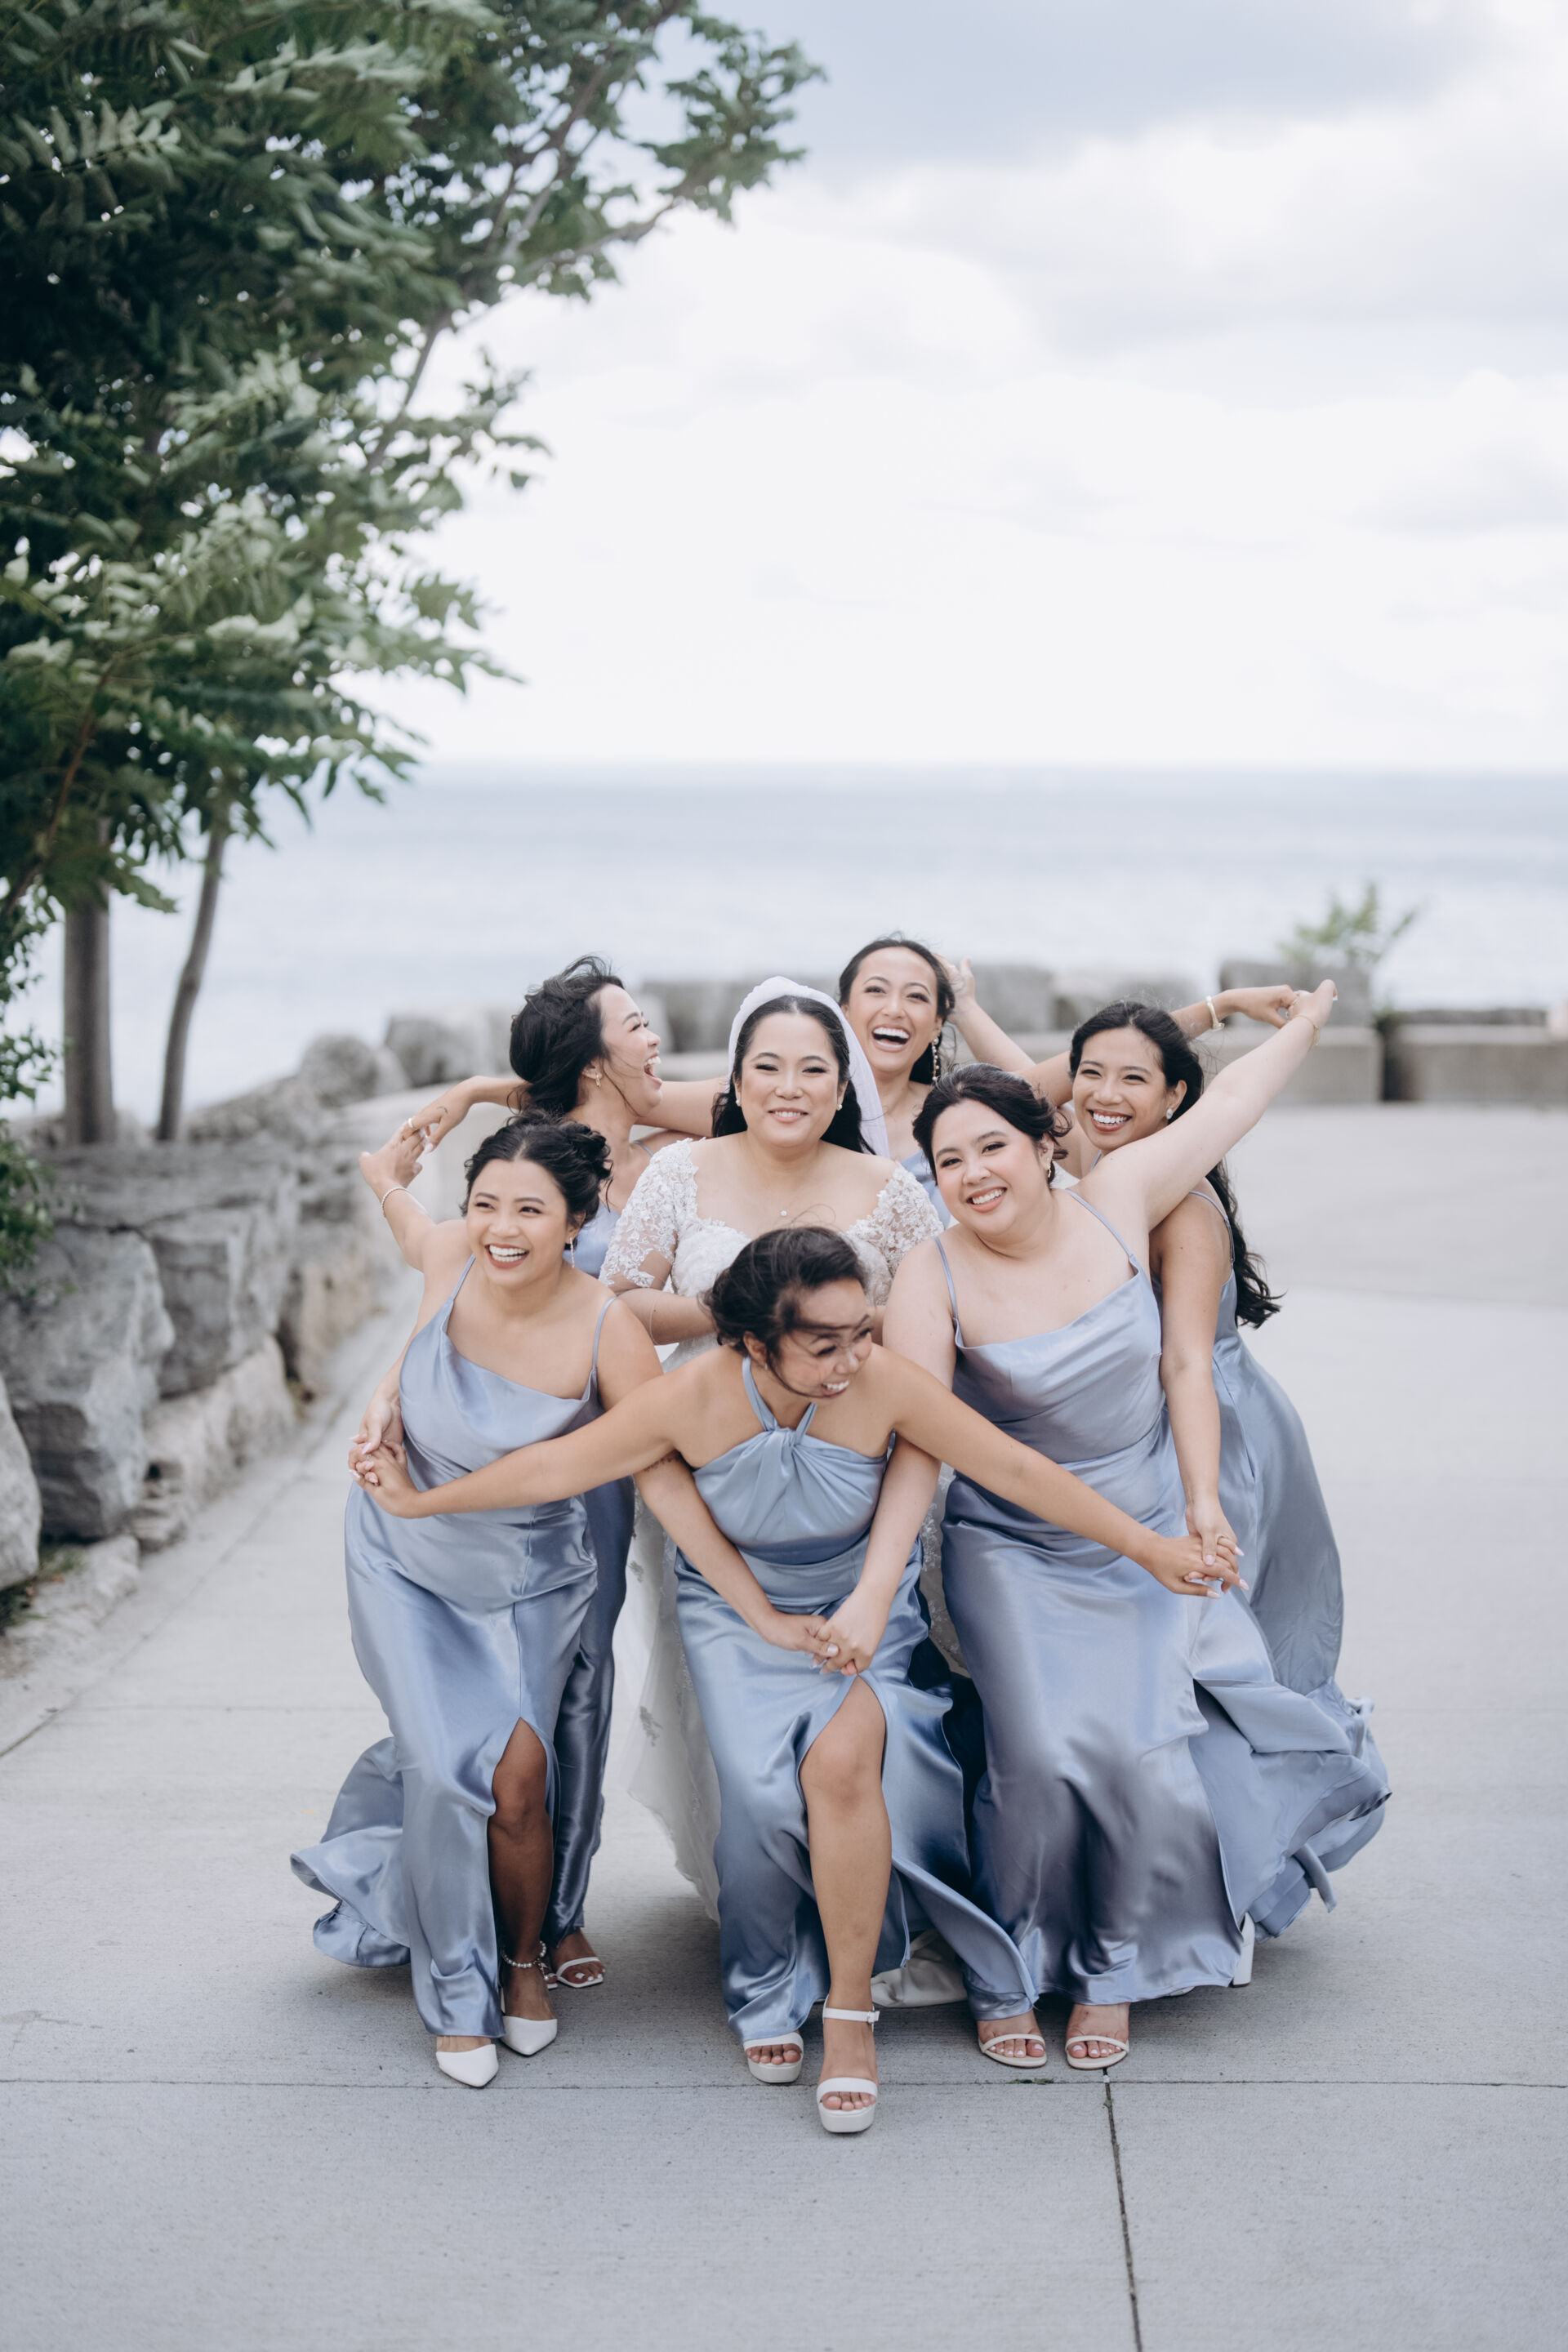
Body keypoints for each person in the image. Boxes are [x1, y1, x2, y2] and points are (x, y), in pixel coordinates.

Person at [354, 1224, 1232, 2127]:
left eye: (859, 1334)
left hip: (857, 1611)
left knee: (843, 1766)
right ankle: (764, 1977)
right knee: (762, 1804)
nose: (852, 1360)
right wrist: (421, 1501)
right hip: (736, 1616)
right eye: (824, 1345)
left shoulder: (883, 1383)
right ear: (753, 1342)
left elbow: (1012, 1465)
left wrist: (1149, 1548)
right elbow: (551, 1466)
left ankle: (849, 2017)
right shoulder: (688, 1398)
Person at [884, 986, 1389, 2074]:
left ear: (1044, 1145)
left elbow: (1187, 1353)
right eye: (948, 1161)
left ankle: (1112, 1966)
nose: (973, 1174)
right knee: (1038, 1755)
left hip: (1151, 1514)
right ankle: (1008, 1966)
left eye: (992, 1147)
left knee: (1140, 1752)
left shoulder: (1121, 1199)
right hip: (1014, 1542)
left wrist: (1200, 1504)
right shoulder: (931, 1274)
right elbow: (955, 1448)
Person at [292, 1115, 743, 2090]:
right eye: (485, 1203)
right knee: (444, 1769)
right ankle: (459, 1991)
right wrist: (385, 1174)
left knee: (517, 1781)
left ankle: (523, 1955)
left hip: (532, 1575)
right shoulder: (450, 1255)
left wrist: (751, 1595)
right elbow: (407, 1218)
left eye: (530, 1210)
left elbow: (658, 1474)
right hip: (402, 1557)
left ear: (577, 1221)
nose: (501, 1228)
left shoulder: (608, 1329)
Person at [361, 960, 688, 1992]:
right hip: (484, 1459)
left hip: (598, 1462)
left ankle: (561, 1909)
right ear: (592, 1058)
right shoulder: (529, 1166)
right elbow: (445, 1259)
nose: (654, 1039)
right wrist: (467, 1098)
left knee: (579, 1680)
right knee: (498, 1706)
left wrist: (472, 1088)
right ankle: (500, 1914)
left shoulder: (669, 1162)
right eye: (634, 1025)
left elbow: (770, 1097)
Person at [596, 978, 939, 1906]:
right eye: (769, 1068)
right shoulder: (682, 1172)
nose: (790, 1088)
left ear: (843, 1088)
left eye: (813, 1070)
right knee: (740, 1734)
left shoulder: (889, 1191)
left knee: (864, 1728)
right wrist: (741, 1310)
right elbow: (619, 1305)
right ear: (737, 1082)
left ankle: (871, 1905)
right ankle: (761, 1896)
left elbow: (929, 1325)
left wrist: (832, 1339)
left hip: (852, 1477)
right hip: (717, 1471)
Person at [1060, 1000, 1354, 1695]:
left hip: (1215, 1421)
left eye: (1133, 1079)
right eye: (1090, 1073)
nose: (1105, 1094)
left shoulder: (1183, 1213)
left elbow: (1186, 1360)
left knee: (1209, 1633)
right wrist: (1219, 1008)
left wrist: (1203, 1496)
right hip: (1160, 1410)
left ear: (1175, 1097)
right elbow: (1021, 1084)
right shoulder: (1103, 1157)